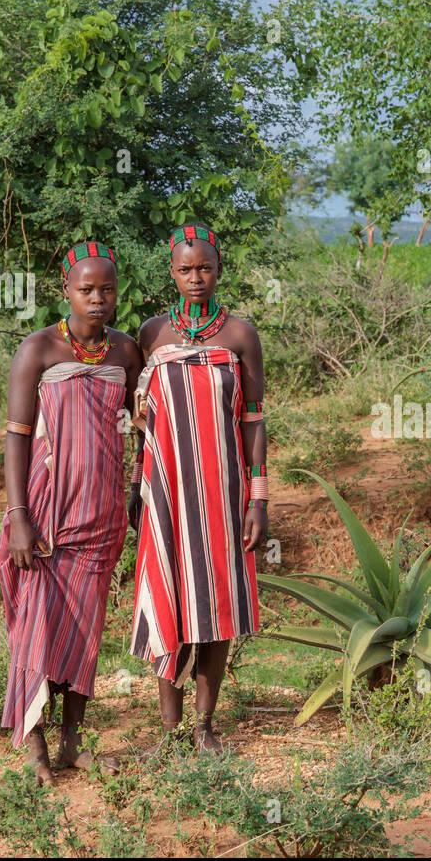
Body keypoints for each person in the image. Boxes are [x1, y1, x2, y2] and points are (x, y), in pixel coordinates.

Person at [0, 241, 142, 786]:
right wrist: (19, 516)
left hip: (101, 514)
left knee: (85, 629)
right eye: (86, 289)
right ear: (67, 290)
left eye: (107, 289)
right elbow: (16, 437)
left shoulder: (125, 352)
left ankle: (73, 743)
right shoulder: (38, 349)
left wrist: (136, 489)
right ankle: (35, 746)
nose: (97, 299)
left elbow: (141, 426)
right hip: (46, 517)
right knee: (35, 627)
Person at [128, 224, 267, 753]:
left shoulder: (241, 336)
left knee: (215, 604)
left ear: (219, 269)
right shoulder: (151, 334)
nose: (196, 278)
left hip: (223, 491)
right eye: (185, 269)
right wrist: (137, 484)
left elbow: (253, 419)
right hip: (166, 491)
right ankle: (170, 732)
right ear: (172, 272)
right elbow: (140, 419)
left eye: (205, 267)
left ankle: (204, 726)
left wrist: (258, 498)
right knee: (170, 595)